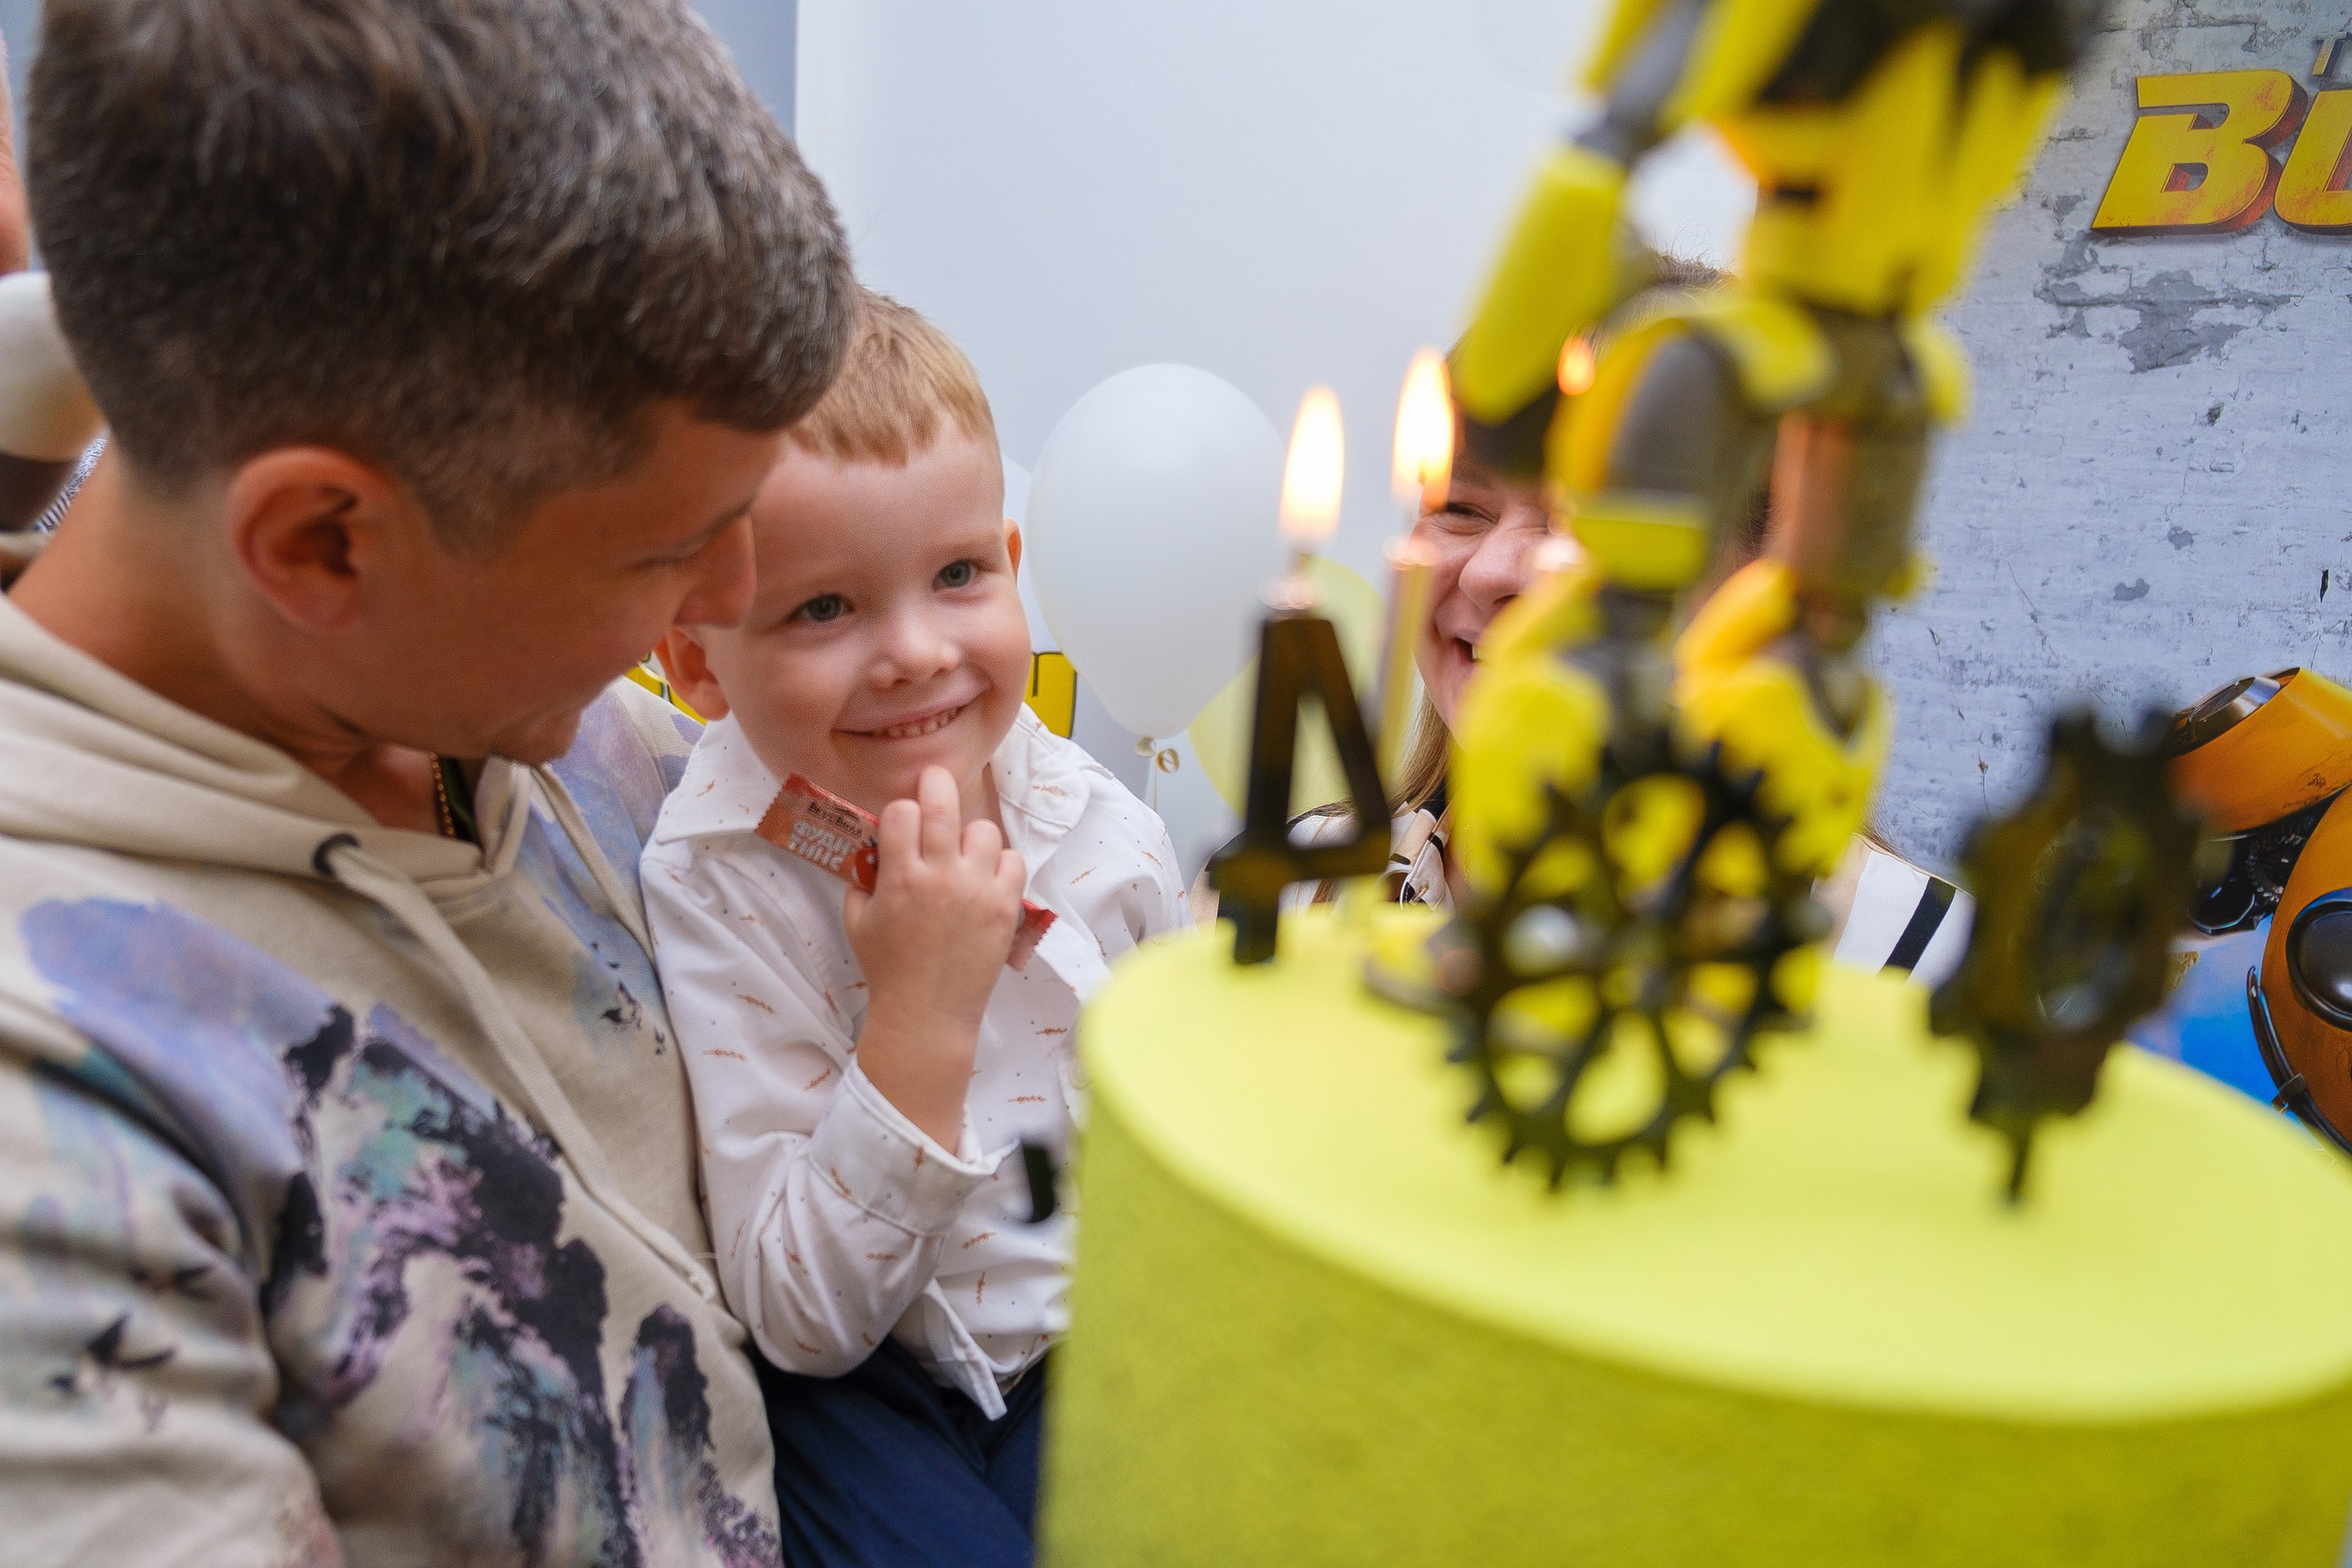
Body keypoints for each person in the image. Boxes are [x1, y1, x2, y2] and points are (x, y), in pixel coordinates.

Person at [0, 2, 854, 1562]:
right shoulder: (51, 1128)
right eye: (665, 549)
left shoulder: (546, 701)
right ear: (322, 541)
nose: (730, 598)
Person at [641, 291, 1191, 1568]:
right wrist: (922, 1016)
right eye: (821, 609)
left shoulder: (1105, 839)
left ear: (1011, 560)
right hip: (855, 1374)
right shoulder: (717, 877)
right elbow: (798, 1315)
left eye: (958, 576)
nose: (913, 652)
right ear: (695, 663)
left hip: (1083, 1334)